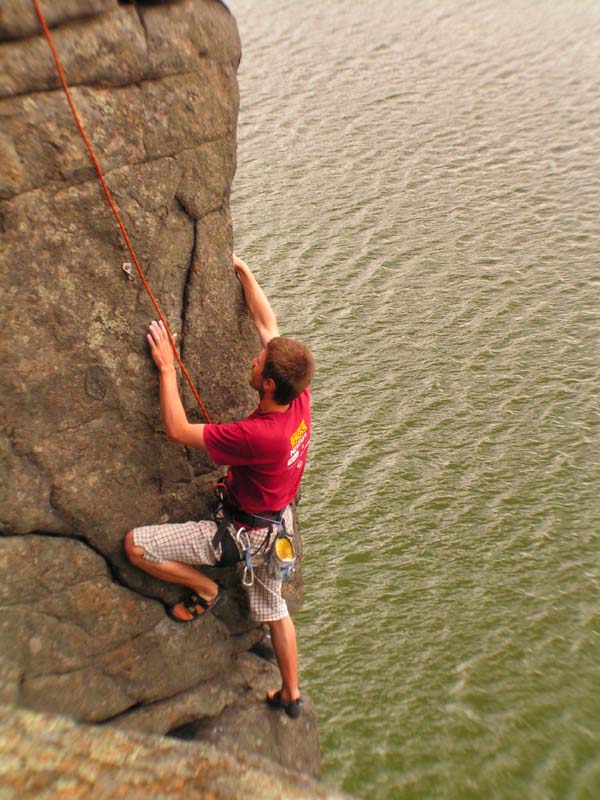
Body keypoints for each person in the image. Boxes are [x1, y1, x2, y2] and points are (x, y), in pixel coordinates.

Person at [124, 254, 314, 719]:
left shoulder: (255, 435)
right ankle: (290, 693)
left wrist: (168, 369)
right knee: (275, 610)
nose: (253, 358)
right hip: (277, 523)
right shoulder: (298, 395)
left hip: (240, 533)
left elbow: (177, 430)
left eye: (257, 363)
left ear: (267, 385)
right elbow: (266, 323)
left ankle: (204, 590)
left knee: (137, 546)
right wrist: (245, 273)